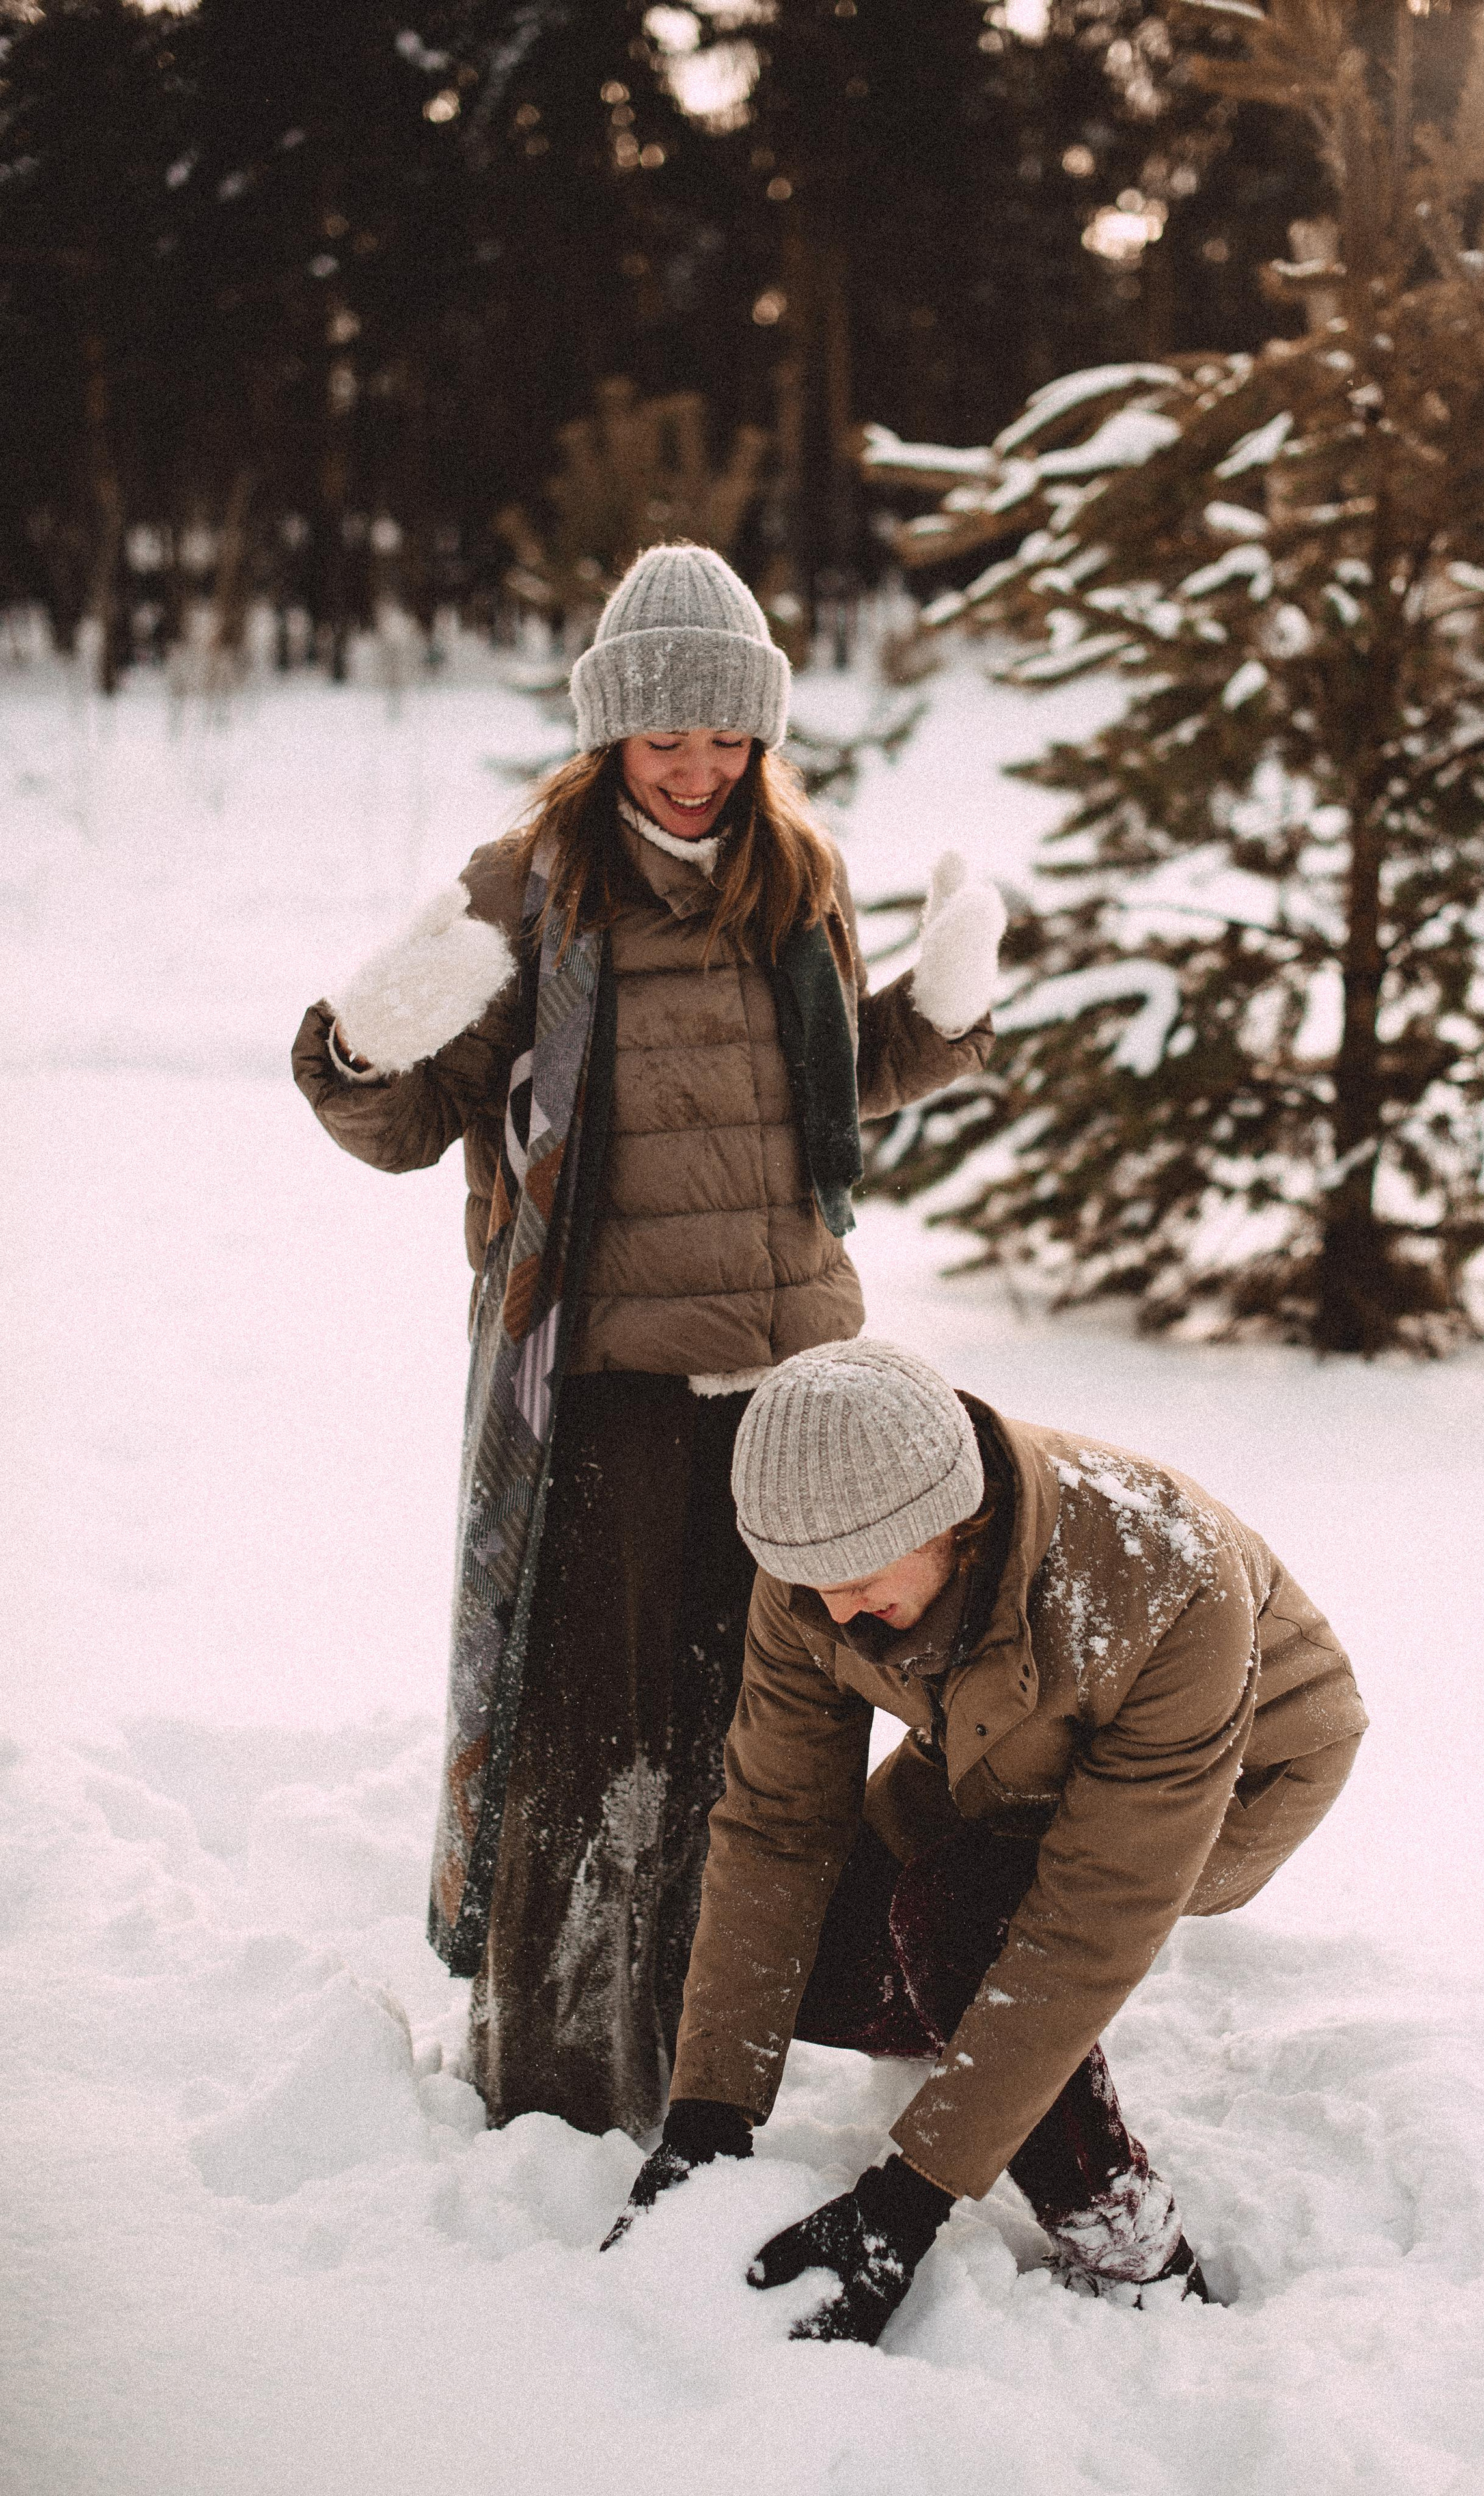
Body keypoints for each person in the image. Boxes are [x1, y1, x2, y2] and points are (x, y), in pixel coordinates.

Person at [291, 547, 1003, 2137]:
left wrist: (940, 1017)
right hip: (607, 1384)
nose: (696, 771)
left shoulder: (795, 876)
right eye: (663, 739)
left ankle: (732, 2051)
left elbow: (820, 1096)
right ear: (606, 735)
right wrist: (357, 1044)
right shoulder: (528, 889)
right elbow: (410, 1122)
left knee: (766, 1733)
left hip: (794, 1388)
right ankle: (560, 2073)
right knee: (594, 1729)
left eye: (726, 738)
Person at [604, 1338, 1368, 2341]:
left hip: (1244, 1764)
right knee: (830, 1965)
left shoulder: (1162, 1575)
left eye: (859, 1578)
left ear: (953, 1523)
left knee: (972, 1919)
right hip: (1004, 1742)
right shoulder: (817, 1562)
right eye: (806, 1583)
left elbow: (1087, 1925)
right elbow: (777, 1828)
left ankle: (1129, 2242)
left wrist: (909, 2196)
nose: (834, 1611)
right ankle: (989, 2039)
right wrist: (707, 2116)